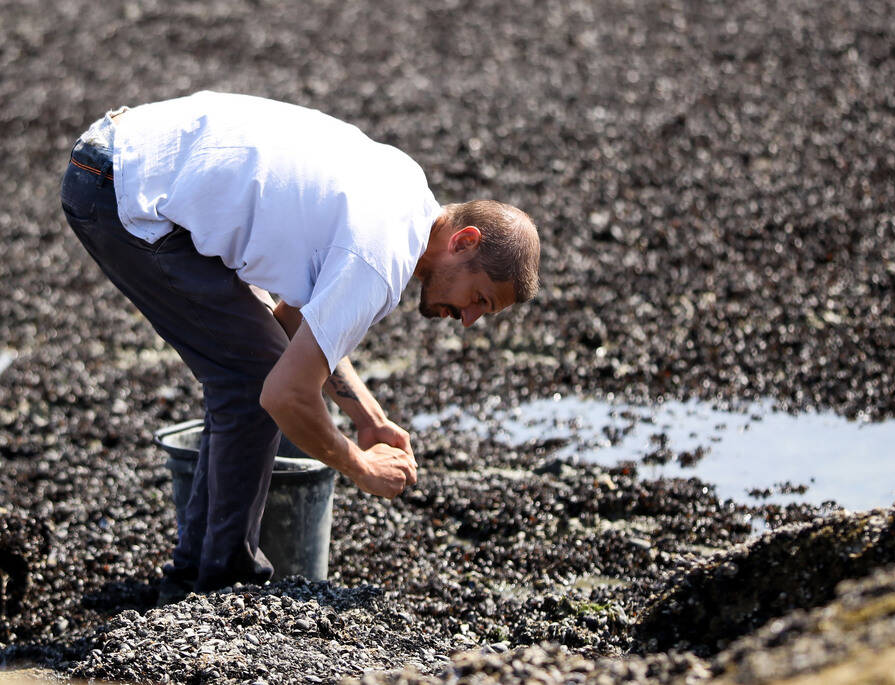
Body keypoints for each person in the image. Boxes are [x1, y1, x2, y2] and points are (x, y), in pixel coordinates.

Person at [59, 91, 540, 603]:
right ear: (464, 241)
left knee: (251, 363)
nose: (468, 320)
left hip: (126, 157)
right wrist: (360, 465)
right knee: (249, 379)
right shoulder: (380, 260)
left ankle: (194, 580)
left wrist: (367, 416)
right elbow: (283, 393)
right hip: (122, 188)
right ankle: (223, 586)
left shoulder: (403, 194)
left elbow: (291, 325)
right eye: (480, 300)